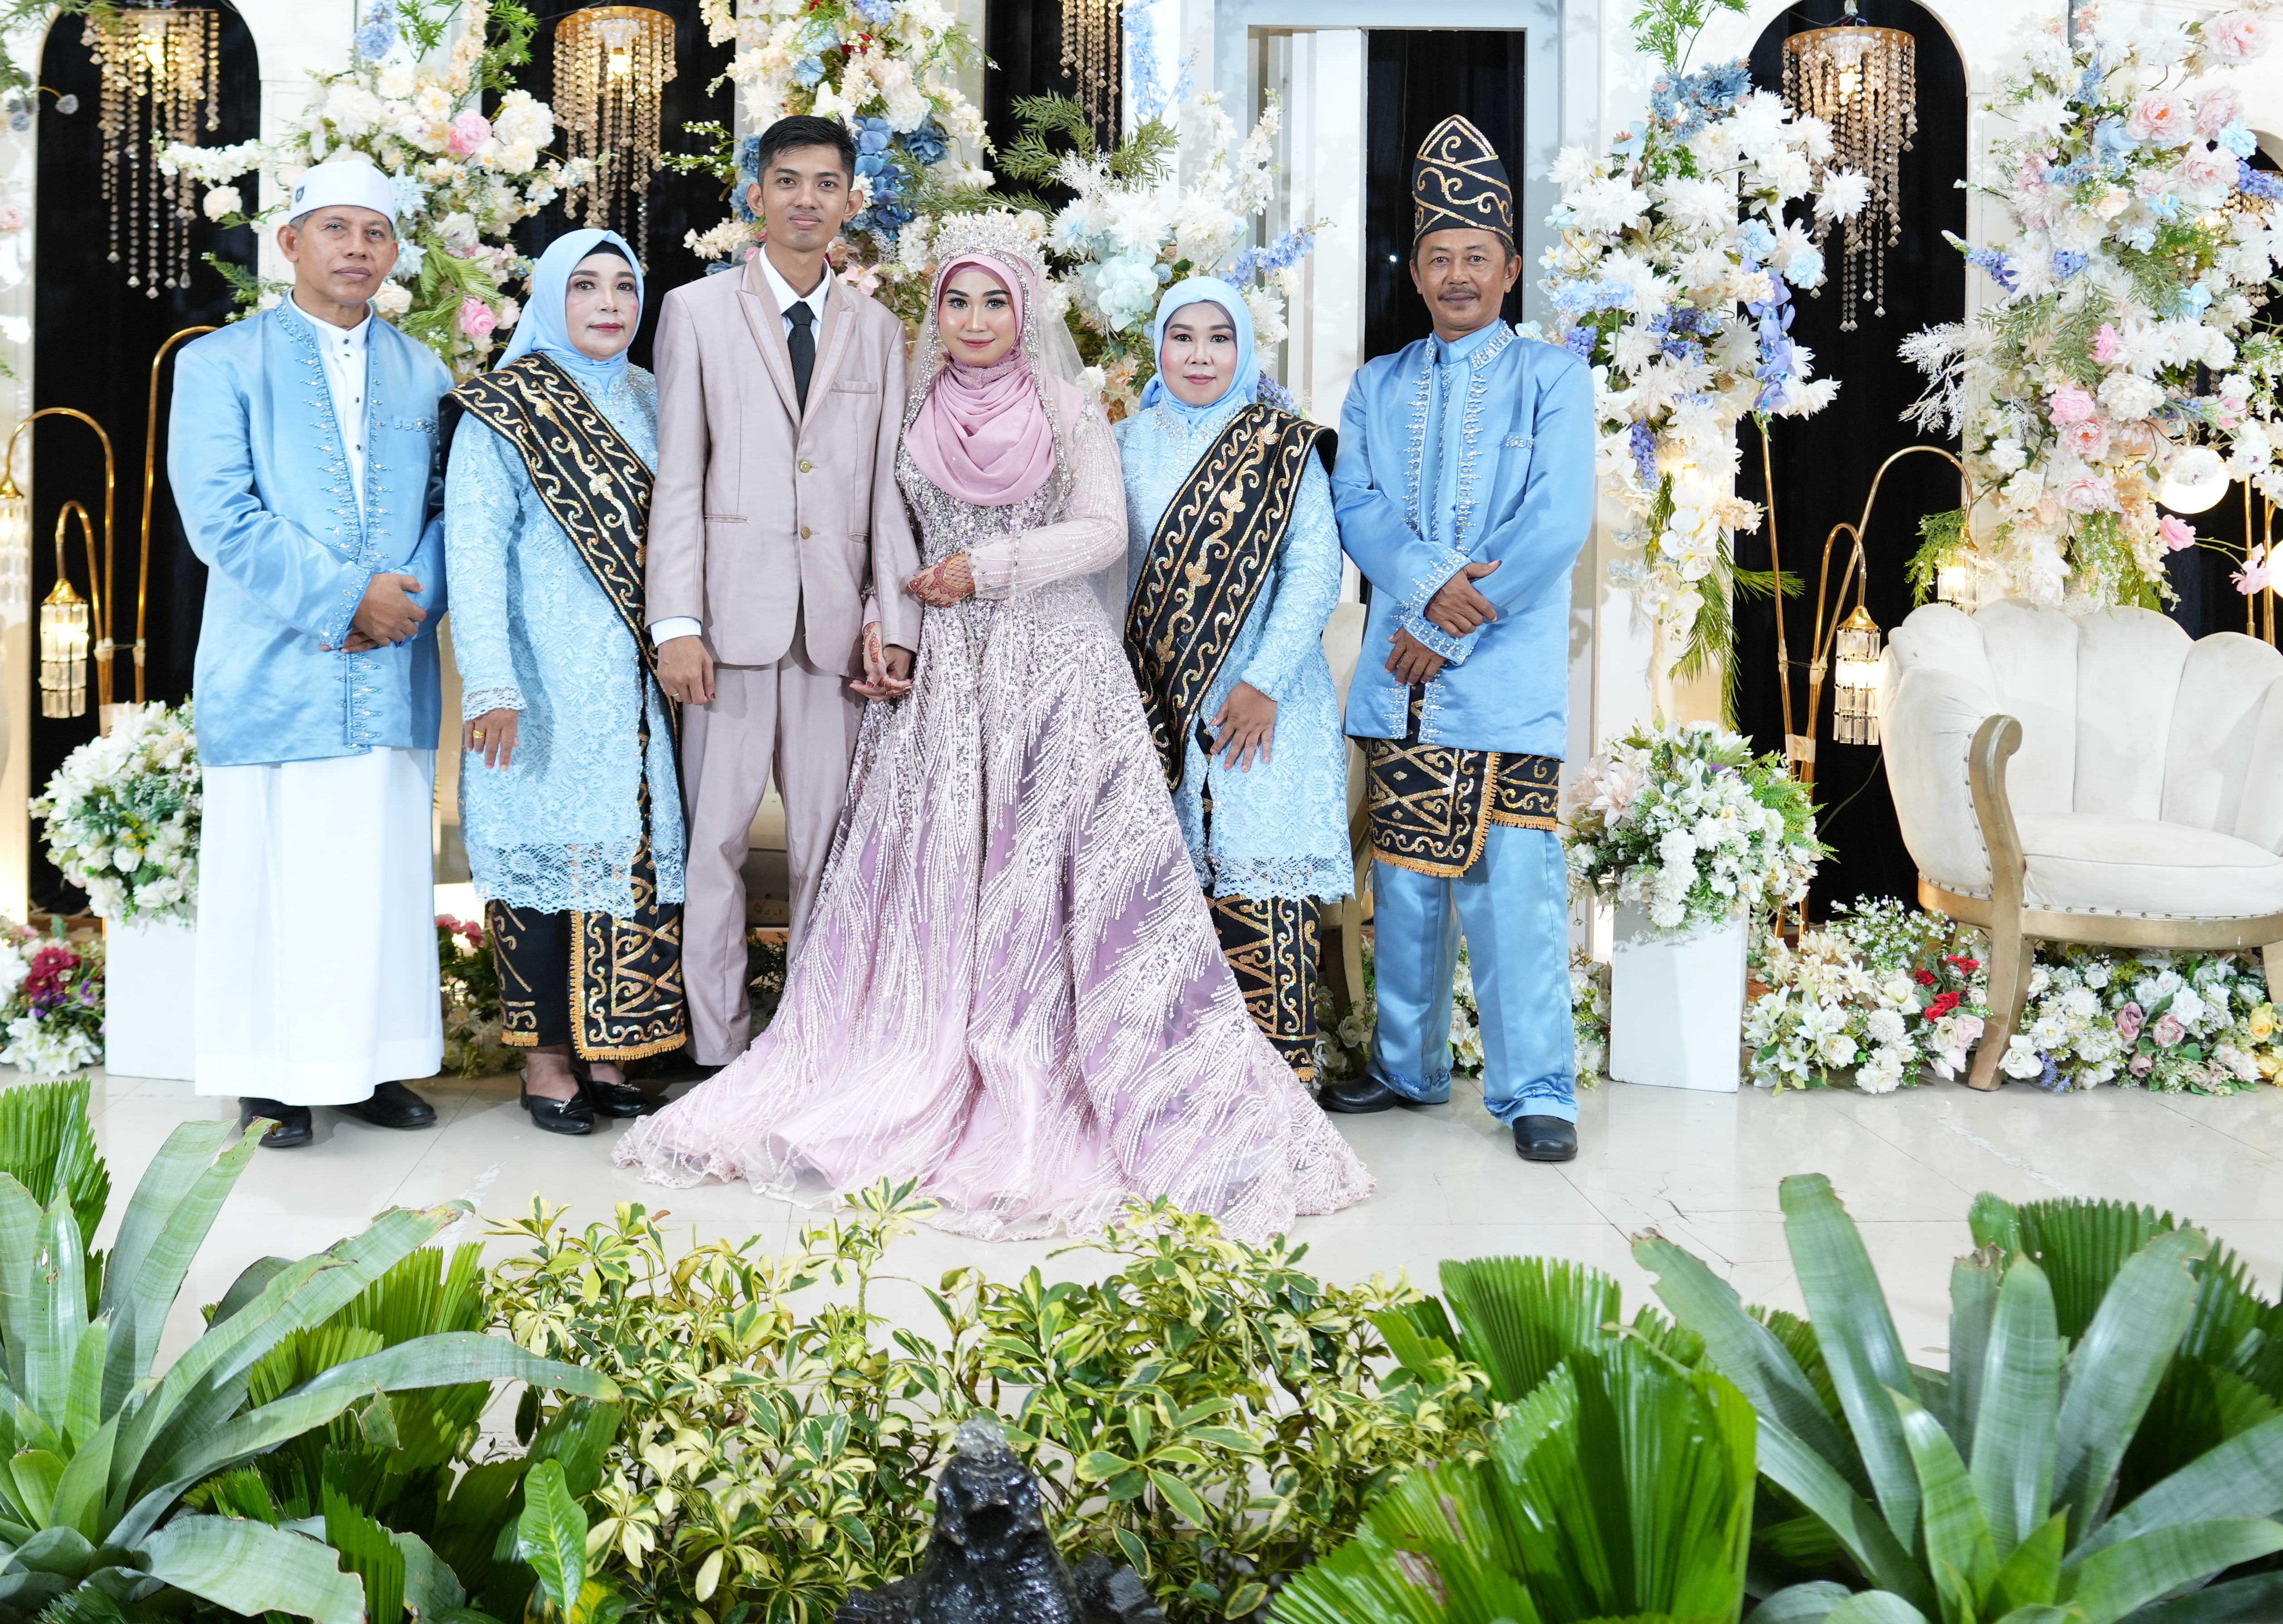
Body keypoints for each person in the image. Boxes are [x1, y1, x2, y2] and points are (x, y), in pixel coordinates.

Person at [615, 217, 1374, 1241]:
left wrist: (992, 568)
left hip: (1054, 668)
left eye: (995, 302)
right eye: (958, 302)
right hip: (943, 677)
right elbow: (885, 531)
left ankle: (1063, 1059)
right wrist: (888, 617)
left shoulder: (1070, 406)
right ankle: (911, 1052)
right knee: (936, 877)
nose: (975, 321)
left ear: (1025, 312)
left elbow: (1102, 530)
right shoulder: (912, 404)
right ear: (937, 312)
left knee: (1054, 880)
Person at [1319, 114, 1594, 1161]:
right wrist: (1430, 590)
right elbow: (1358, 504)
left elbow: (1555, 521)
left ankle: (1537, 1090)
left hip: (1503, 684)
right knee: (1404, 883)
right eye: (1439, 258)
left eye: (1477, 257)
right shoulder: (1379, 383)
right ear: (1417, 272)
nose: (1458, 275)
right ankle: (1409, 1066)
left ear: (1511, 269)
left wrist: (1447, 625)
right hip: (1403, 678)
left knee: (1513, 888)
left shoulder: (1553, 378)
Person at [168, 154, 455, 1148]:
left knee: (377, 876)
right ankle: (271, 1079)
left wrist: (411, 600)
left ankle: (369, 1064)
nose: (357, 249)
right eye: (336, 229)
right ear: (290, 242)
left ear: (394, 251)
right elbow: (220, 516)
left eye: (375, 233)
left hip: (392, 664)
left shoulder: (425, 370)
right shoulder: (221, 362)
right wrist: (347, 598)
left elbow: (448, 509)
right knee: (275, 875)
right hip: (272, 665)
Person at [646, 114, 922, 1065]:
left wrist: (896, 620)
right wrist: (676, 621)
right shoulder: (695, 311)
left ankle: (811, 1049)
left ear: (852, 201)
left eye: (827, 183)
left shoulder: (879, 331)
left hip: (835, 633)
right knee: (715, 845)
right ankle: (716, 1051)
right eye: (789, 181)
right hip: (725, 626)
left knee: (827, 848)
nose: (808, 200)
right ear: (756, 194)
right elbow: (679, 477)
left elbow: (886, 490)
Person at [446, 228, 685, 1135]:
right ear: (551, 297)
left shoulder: (658, 398)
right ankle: (547, 1058)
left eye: (625, 286)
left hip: (638, 680)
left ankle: (611, 1046)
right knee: (544, 851)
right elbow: (474, 552)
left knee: (628, 854)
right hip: (540, 679)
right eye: (585, 285)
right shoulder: (504, 408)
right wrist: (492, 684)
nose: (609, 303)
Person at [1115, 278, 1349, 1082]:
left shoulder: (1283, 446)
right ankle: (1173, 1078)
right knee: (1159, 879)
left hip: (1270, 703)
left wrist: (1262, 681)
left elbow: (1314, 569)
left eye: (1220, 338)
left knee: (1260, 864)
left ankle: (1275, 1079)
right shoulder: (1119, 444)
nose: (1200, 356)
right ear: (1158, 346)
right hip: (1152, 702)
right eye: (1182, 337)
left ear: (1245, 349)